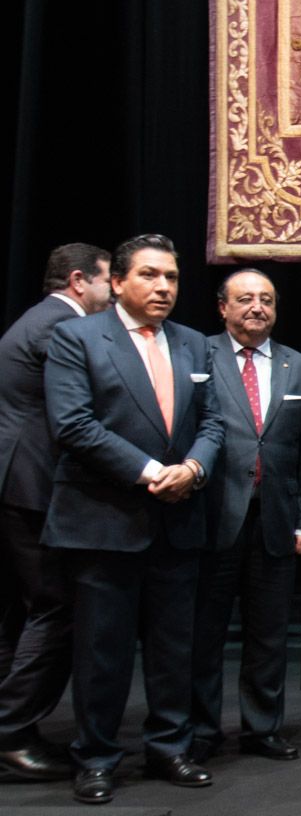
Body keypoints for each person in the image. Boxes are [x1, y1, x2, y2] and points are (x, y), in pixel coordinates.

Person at [42, 233, 224, 802]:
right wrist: (152, 471)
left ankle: (170, 748)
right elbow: (73, 425)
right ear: (117, 282)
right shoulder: (76, 337)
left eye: (171, 277)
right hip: (106, 520)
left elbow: (215, 422)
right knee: (103, 650)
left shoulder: (195, 343)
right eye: (149, 275)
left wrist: (193, 468)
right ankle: (95, 757)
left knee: (175, 647)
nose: (163, 287)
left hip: (179, 517)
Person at [189, 269, 301, 763]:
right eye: (244, 299)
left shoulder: (300, 368)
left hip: (277, 522)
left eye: (266, 299)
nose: (257, 307)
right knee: (203, 636)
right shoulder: (196, 356)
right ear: (222, 307)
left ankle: (262, 729)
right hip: (211, 520)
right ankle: (202, 731)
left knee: (268, 636)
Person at [0, 242, 108, 782]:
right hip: (30, 486)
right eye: (109, 281)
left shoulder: (37, 319)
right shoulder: (57, 328)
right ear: (78, 281)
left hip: (19, 485)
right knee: (54, 607)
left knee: (23, 613)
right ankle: (12, 733)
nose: (113, 295)